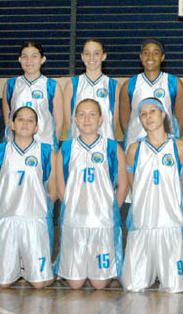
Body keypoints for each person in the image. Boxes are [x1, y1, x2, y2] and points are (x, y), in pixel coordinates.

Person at [121, 98, 183, 292]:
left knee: (175, 287)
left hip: (169, 223)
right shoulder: (134, 149)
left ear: (163, 115)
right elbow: (133, 184)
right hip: (143, 223)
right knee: (132, 286)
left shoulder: (180, 147)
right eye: (143, 114)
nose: (148, 117)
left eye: (152, 111)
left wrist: (172, 205)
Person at [55, 99, 128, 289]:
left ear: (101, 119)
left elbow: (123, 185)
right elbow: (60, 186)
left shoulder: (112, 147)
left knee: (99, 284)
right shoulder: (66, 148)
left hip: (102, 222)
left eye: (92, 114)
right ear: (75, 120)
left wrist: (111, 210)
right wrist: (72, 208)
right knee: (75, 284)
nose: (87, 119)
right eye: (82, 114)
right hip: (75, 221)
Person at [0, 106, 56, 288]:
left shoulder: (46, 151)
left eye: (30, 120)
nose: (25, 123)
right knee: (3, 284)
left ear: (36, 127)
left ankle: (43, 267)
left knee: (39, 285)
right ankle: (18, 265)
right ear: (12, 124)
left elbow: (54, 190)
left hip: (35, 221)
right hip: (7, 220)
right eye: (20, 119)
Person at [120, 38, 183, 150]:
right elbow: (125, 124)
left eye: (155, 53)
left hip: (166, 148)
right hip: (136, 146)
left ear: (162, 57)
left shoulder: (174, 83)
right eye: (146, 53)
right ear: (140, 57)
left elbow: (181, 121)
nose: (150, 57)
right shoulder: (129, 85)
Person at [2, 41, 64, 151]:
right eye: (25, 57)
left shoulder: (52, 86)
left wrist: (52, 146)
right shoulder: (11, 85)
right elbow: (8, 118)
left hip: (44, 145)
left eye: (34, 56)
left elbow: (59, 123)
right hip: (15, 147)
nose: (29, 61)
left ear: (42, 59)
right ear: (20, 60)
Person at [64, 39, 120, 140]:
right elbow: (69, 122)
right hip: (78, 146)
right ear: (82, 57)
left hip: (104, 144)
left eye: (96, 53)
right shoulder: (72, 85)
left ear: (104, 56)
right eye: (87, 53)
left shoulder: (114, 86)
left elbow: (114, 123)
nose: (92, 57)